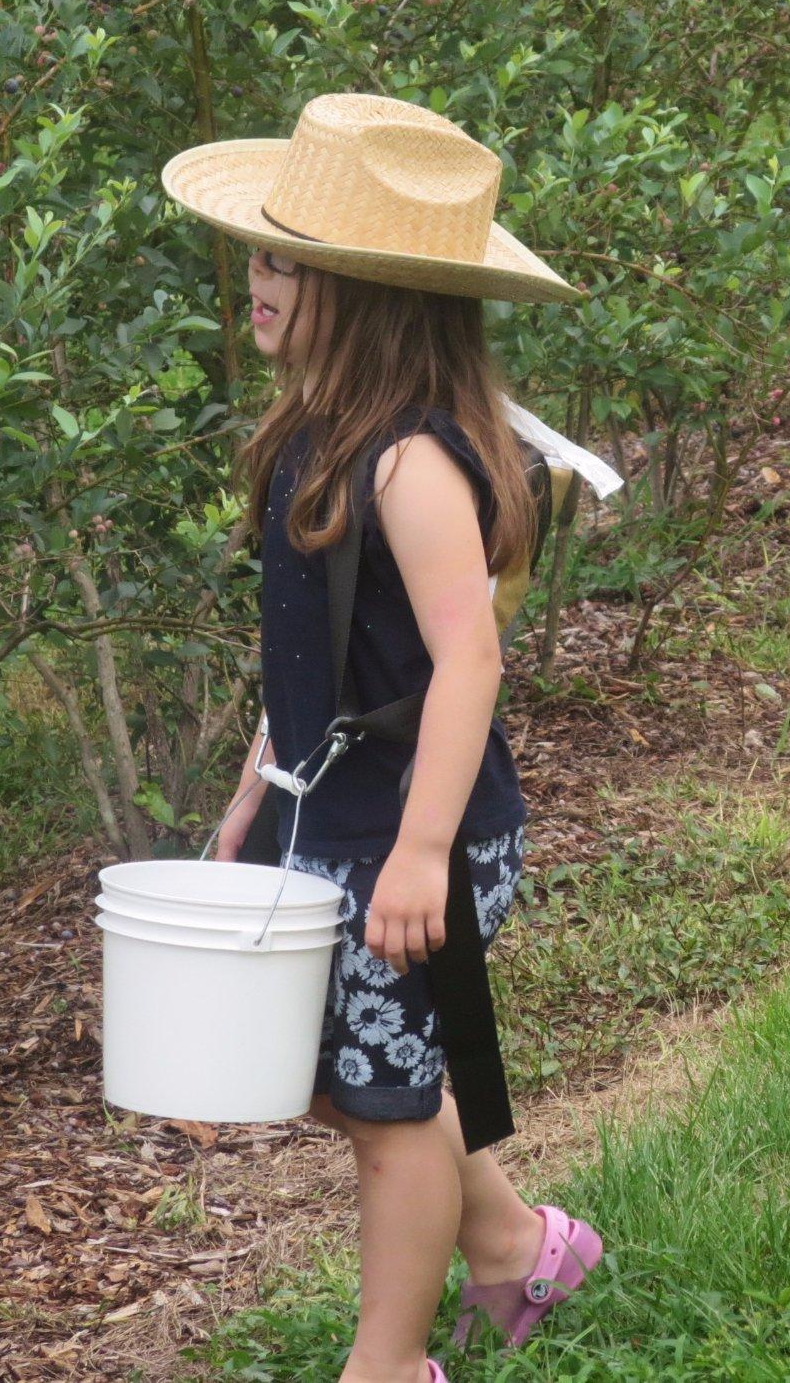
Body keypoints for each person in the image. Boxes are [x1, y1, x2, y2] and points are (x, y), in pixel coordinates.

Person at [162, 94, 602, 1383]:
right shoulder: (313, 434)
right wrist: (257, 787)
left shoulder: (410, 463)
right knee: (325, 1070)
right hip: (325, 809)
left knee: (384, 1108)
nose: (259, 276)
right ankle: (517, 1241)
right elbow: (317, 657)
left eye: (290, 261)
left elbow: (469, 659)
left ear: (375, 296)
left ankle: (388, 1364)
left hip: (414, 831)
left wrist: (419, 854)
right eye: (261, 248)